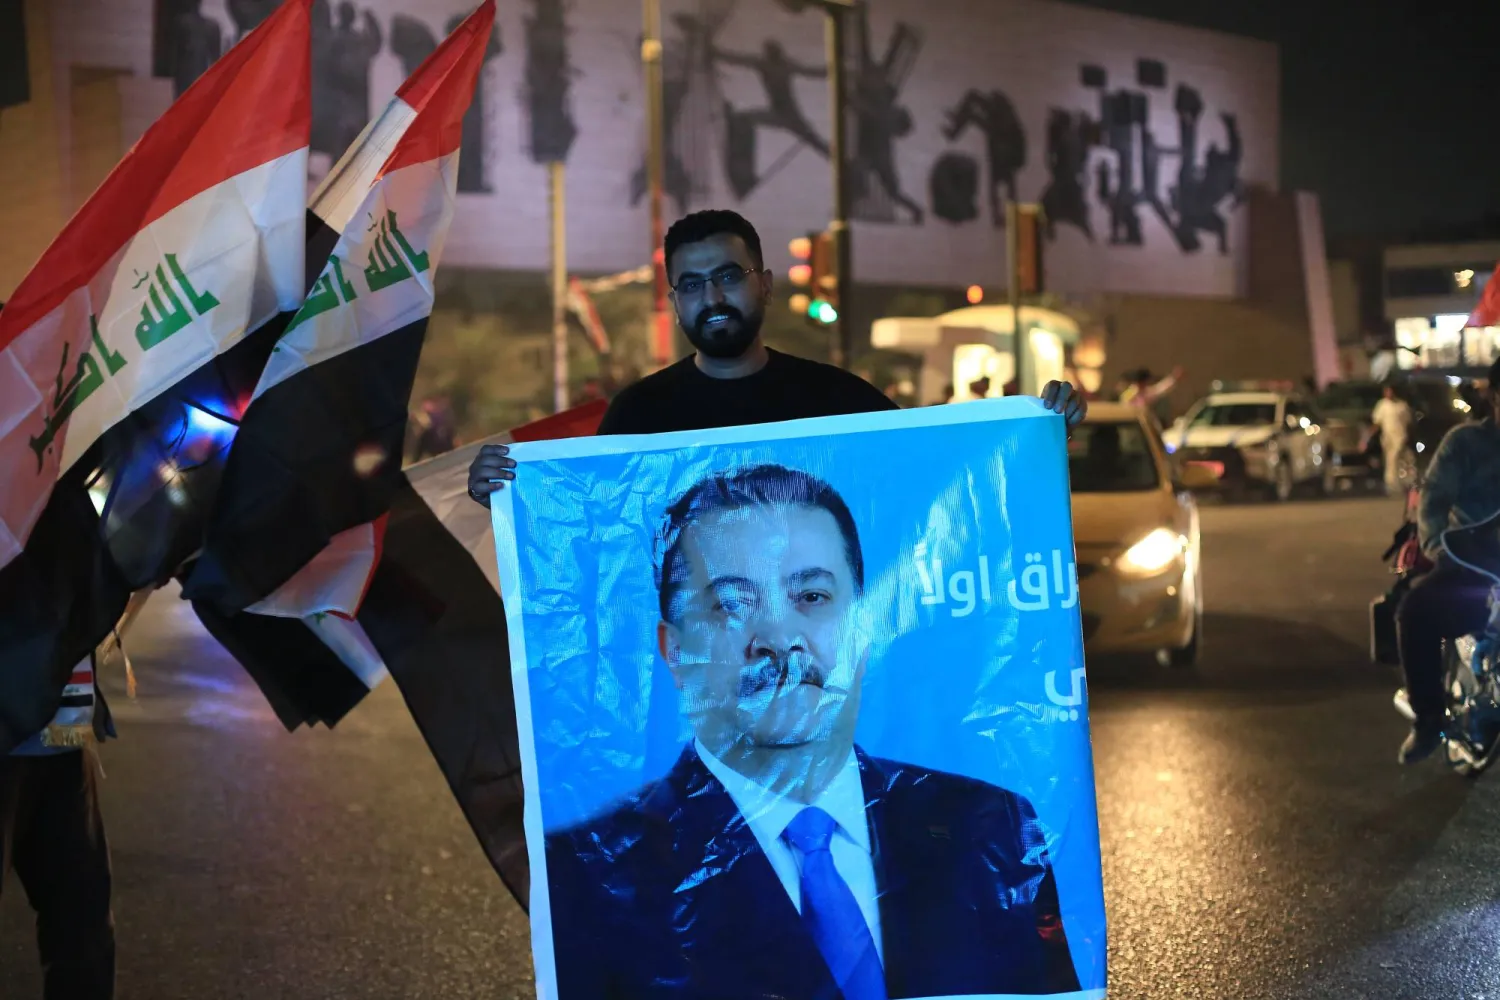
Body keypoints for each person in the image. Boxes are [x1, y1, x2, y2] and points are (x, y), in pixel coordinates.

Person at [541, 465, 1082, 998]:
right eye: (731, 605)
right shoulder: (592, 872)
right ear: (676, 652)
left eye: (813, 597)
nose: (779, 638)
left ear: (864, 628)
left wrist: (1045, 446)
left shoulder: (993, 825)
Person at [465, 209, 1085, 498]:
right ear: (676, 301)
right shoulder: (639, 415)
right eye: (691, 284)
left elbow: (936, 474)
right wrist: (511, 493)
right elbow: (592, 527)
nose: (712, 296)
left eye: (729, 276)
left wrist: (1035, 428)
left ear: (764, 284)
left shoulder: (839, 399)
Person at [1395, 359, 1500, 763]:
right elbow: (1434, 501)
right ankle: (1428, 720)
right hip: (1471, 563)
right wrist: (1439, 545)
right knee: (1415, 614)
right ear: (1493, 396)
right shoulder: (1465, 444)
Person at [1371, 383, 1415, 496]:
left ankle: (1407, 483)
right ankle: (1391, 485)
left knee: (1404, 460)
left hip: (1401, 438)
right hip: (1388, 439)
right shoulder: (1382, 405)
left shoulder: (1402, 406)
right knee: (1391, 461)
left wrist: (1408, 437)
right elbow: (1377, 423)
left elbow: (1408, 422)